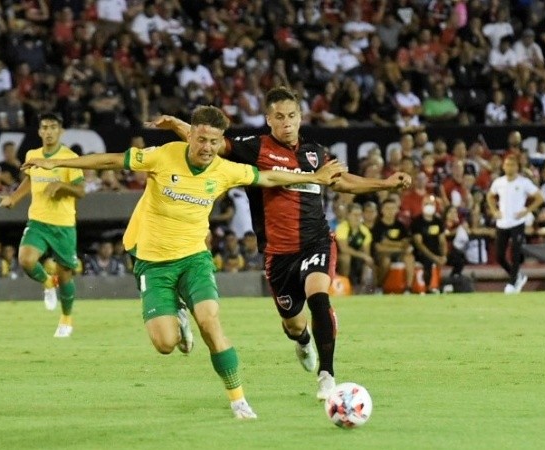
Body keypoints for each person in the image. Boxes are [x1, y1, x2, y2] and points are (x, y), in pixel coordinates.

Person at [23, 105, 347, 420]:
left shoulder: (226, 169)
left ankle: (239, 401)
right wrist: (57, 165)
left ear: (221, 142)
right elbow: (109, 160)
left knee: (210, 321)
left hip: (194, 258)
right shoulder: (163, 155)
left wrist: (315, 178)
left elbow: (271, 178)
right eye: (202, 139)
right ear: (190, 135)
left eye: (214, 141)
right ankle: (178, 315)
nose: (208, 148)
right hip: (153, 262)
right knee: (165, 344)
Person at [150, 87, 412, 400]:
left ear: (300, 118)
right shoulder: (255, 148)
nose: (286, 122)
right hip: (278, 253)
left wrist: (385, 183)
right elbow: (212, 144)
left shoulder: (315, 152)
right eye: (279, 117)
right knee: (293, 324)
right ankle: (302, 340)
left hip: (316, 240)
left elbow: (340, 181)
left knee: (319, 296)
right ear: (268, 120)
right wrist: (178, 125)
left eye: (291, 116)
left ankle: (327, 376)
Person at [0, 112, 85, 338]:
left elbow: (80, 191)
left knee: (66, 275)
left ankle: (66, 318)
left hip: (63, 226)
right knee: (25, 260)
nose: (48, 131)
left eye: (53, 127)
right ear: (39, 131)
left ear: (61, 131)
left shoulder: (70, 158)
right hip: (38, 221)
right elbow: (29, 179)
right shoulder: (32, 155)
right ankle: (47, 282)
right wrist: (13, 199)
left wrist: (60, 186)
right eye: (44, 127)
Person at [486, 155, 545, 294]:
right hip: (502, 223)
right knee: (499, 256)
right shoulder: (498, 182)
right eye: (507, 164)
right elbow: (489, 196)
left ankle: (512, 282)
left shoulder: (524, 182)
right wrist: (494, 211)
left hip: (517, 222)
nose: (509, 167)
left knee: (516, 252)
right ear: (503, 166)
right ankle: (517, 276)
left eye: (512, 165)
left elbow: (539, 197)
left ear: (517, 167)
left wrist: (527, 211)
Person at [410, 195, 447, 293]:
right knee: (428, 262)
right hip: (422, 253)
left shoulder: (438, 221)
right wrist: (434, 257)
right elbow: (419, 244)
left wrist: (444, 255)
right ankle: (428, 288)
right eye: (426, 204)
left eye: (431, 204)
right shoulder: (417, 222)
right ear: (422, 206)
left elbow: (442, 241)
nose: (429, 206)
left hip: (436, 251)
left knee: (458, 257)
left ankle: (450, 282)